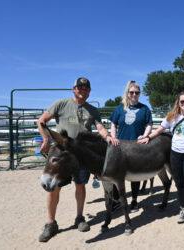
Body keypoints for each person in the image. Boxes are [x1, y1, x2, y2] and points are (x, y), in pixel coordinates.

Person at [37, 77, 118, 242]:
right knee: (54, 188)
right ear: (74, 89)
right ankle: (51, 222)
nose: (83, 90)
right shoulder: (61, 104)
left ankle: (80, 218)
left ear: (89, 91)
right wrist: (45, 138)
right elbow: (42, 121)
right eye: (80, 88)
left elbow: (100, 127)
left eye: (86, 88)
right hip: (62, 154)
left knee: (80, 185)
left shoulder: (93, 110)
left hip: (81, 156)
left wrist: (108, 137)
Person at [138, 91, 184, 230]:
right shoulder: (172, 117)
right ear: (178, 103)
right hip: (175, 154)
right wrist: (148, 137)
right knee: (179, 183)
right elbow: (159, 130)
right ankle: (183, 209)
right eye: (182, 102)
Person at [109, 80, 153, 212]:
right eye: (132, 92)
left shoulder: (144, 109)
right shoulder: (120, 108)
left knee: (135, 175)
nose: (134, 95)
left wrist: (145, 135)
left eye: (137, 93)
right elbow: (113, 124)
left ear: (139, 94)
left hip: (136, 146)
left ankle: (134, 200)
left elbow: (149, 124)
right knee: (116, 174)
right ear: (127, 93)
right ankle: (117, 200)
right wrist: (114, 137)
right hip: (120, 146)